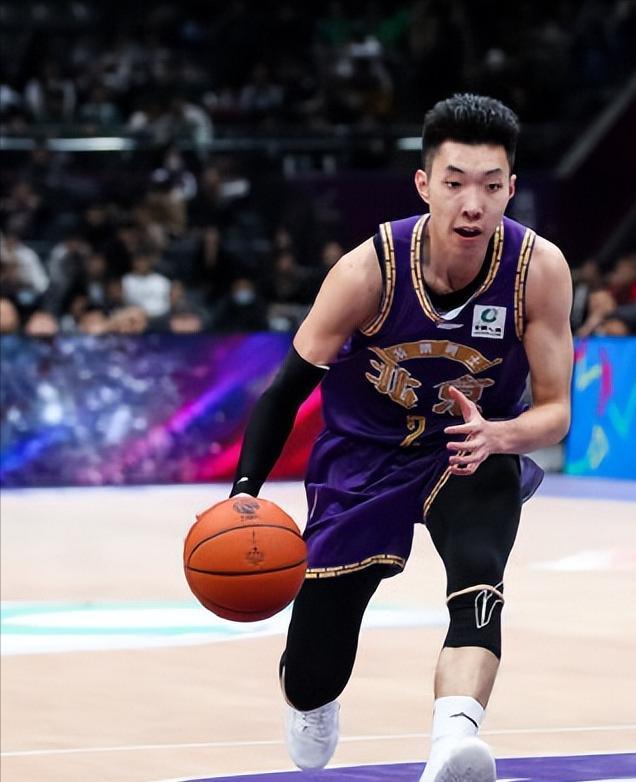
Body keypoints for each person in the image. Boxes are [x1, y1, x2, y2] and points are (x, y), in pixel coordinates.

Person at [226, 94, 572, 781]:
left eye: (491, 186)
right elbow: (286, 389)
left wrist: (501, 434)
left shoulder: (538, 269)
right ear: (424, 184)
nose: (472, 204)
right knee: (316, 661)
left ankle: (454, 742)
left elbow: (556, 412)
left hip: (469, 446)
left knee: (479, 575)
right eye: (455, 183)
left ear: (511, 188)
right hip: (365, 453)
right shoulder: (369, 270)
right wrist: (244, 491)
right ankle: (310, 697)